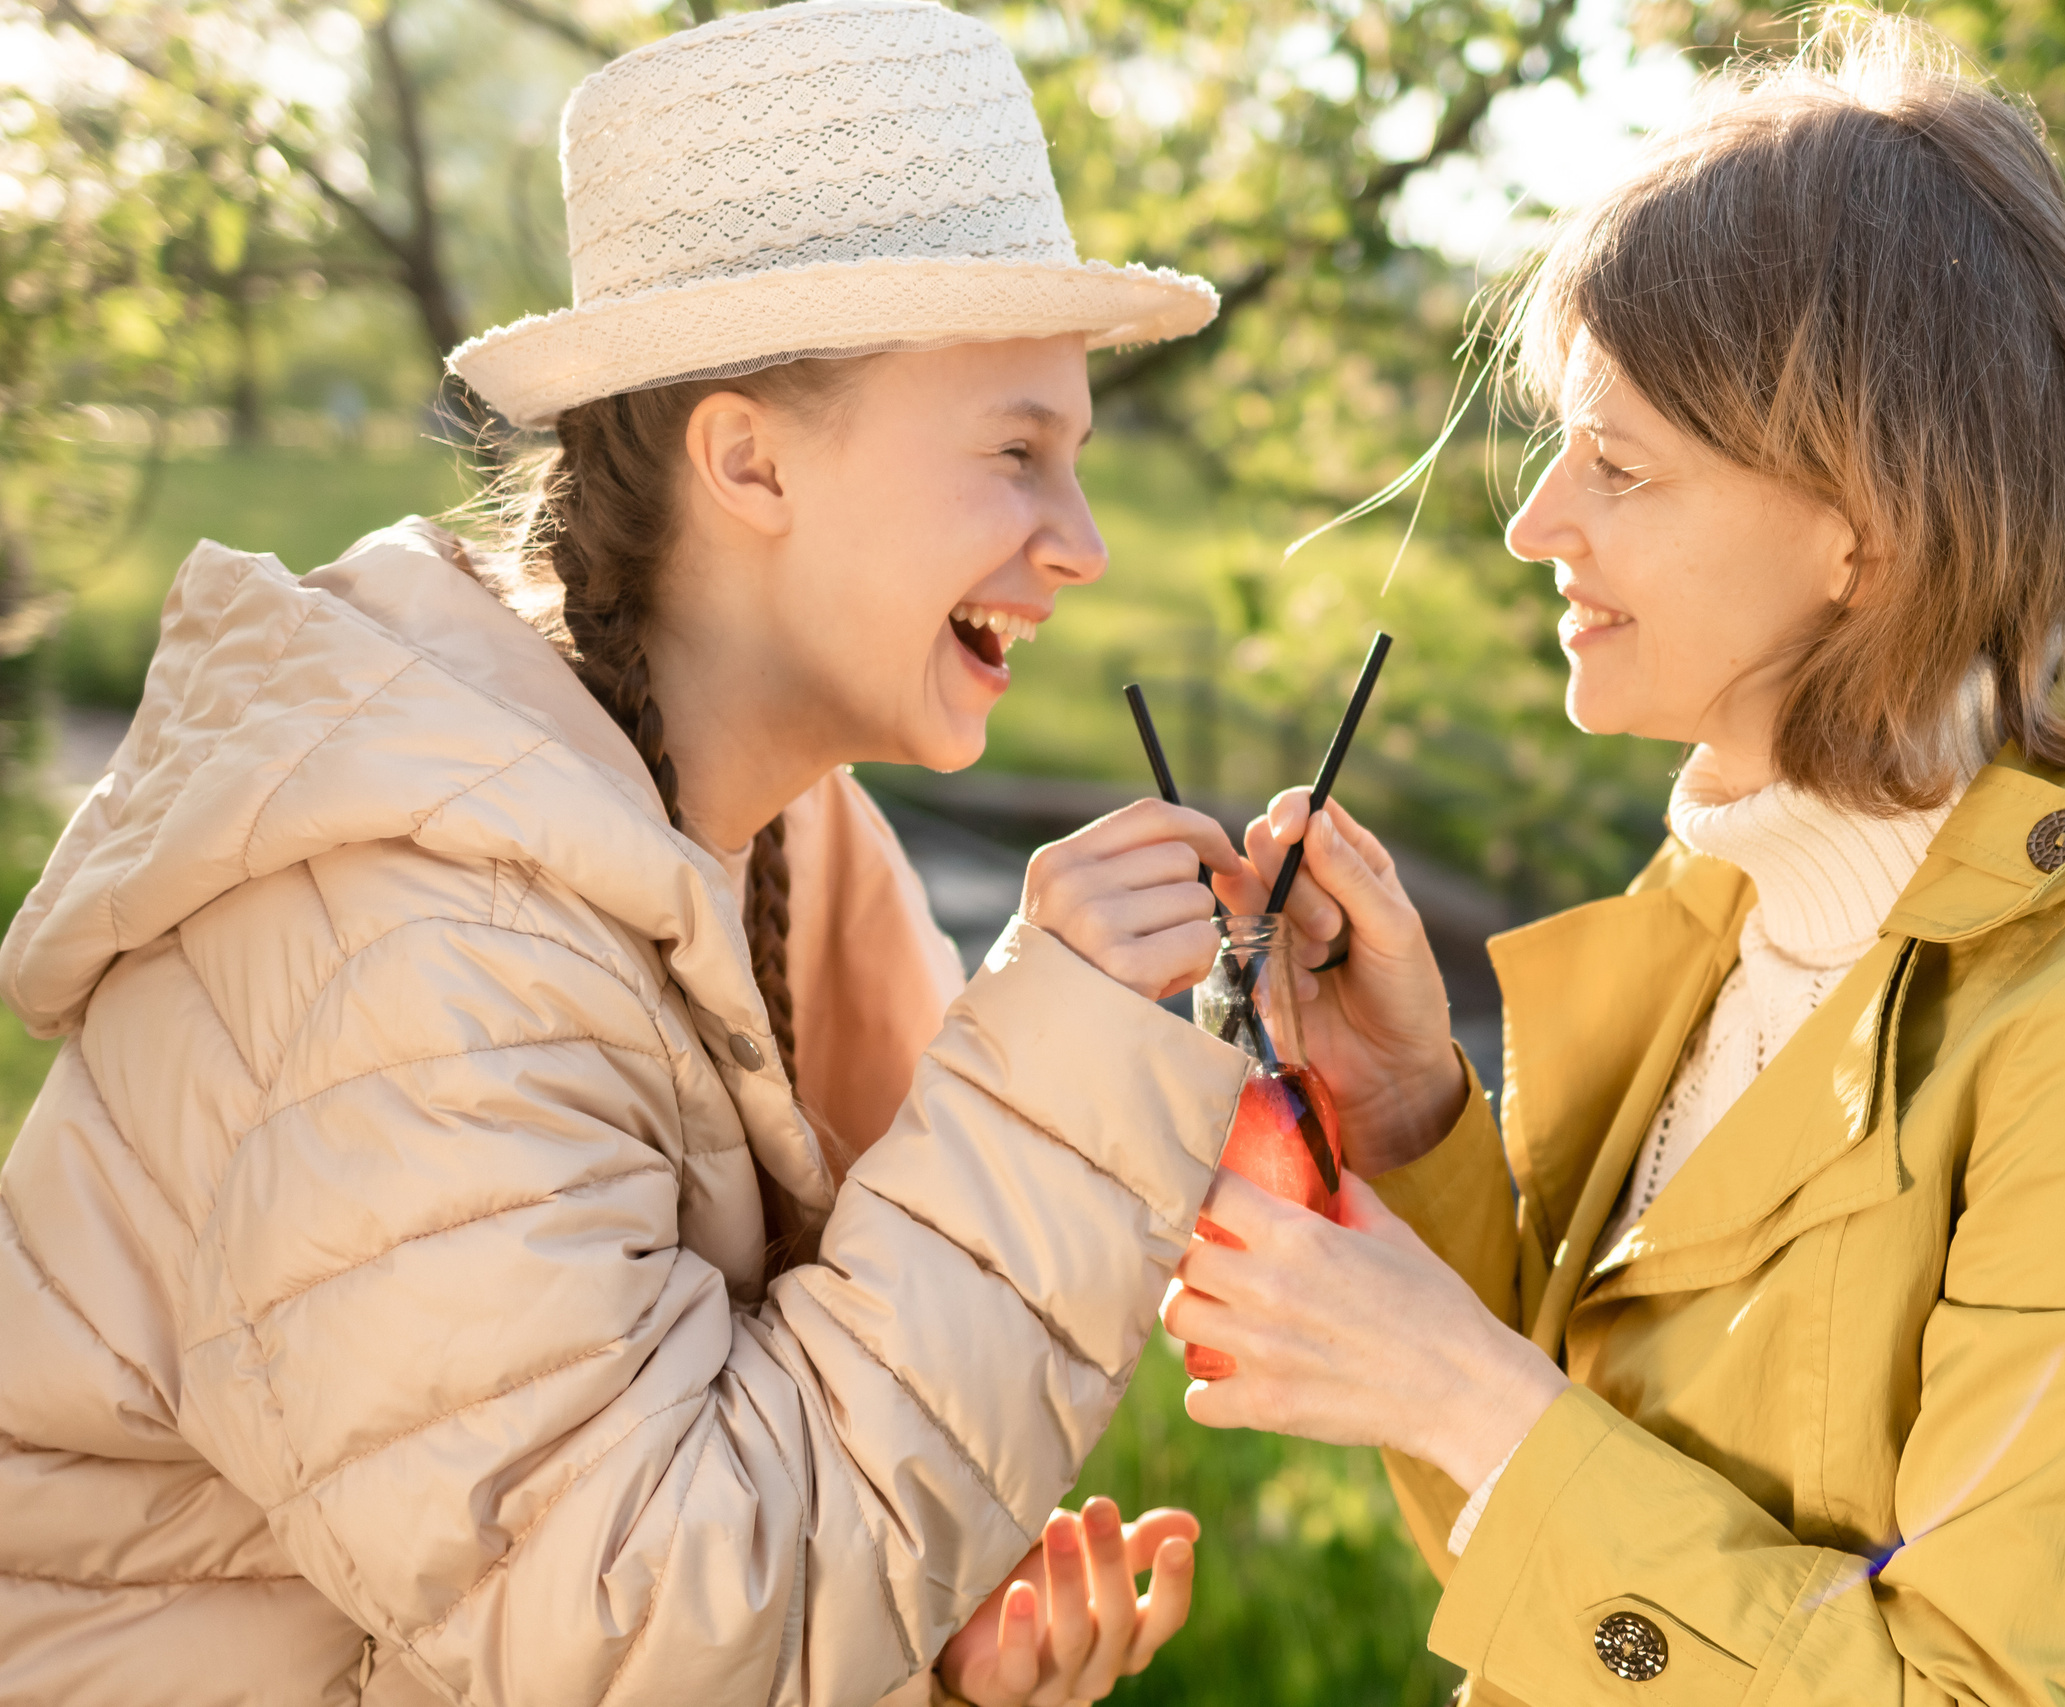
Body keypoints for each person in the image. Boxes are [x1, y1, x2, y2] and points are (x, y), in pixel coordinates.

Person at [0, 4, 1251, 1703]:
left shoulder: (791, 854)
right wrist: (1070, 1047)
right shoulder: (412, 953)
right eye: (1017, 453)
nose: (1085, 544)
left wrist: (921, 1653)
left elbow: (715, 1504)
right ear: (749, 458)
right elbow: (652, 1631)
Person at [1165, 15, 2065, 1703]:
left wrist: (1458, 1391)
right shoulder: (1723, 904)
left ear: (1863, 527)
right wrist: (1410, 1122)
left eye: (1623, 464)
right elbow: (1560, 1570)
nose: (1537, 525)